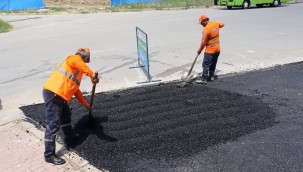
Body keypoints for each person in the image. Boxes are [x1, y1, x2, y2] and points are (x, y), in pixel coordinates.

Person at [42, 48, 99, 165]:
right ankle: (49, 155)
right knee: (53, 124)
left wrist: (85, 104)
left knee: (66, 115)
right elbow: (80, 64)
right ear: (86, 58)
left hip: (60, 95)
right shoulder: (73, 59)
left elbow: (75, 90)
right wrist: (92, 75)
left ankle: (70, 139)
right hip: (54, 93)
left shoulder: (77, 71)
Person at [196, 14, 224, 84]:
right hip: (217, 50)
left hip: (210, 51)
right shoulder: (215, 23)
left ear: (205, 20)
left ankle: (204, 79)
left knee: (206, 64)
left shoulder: (206, 29)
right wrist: (216, 25)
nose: (201, 24)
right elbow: (222, 24)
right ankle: (211, 76)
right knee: (213, 63)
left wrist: (199, 50)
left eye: (202, 22)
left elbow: (203, 43)